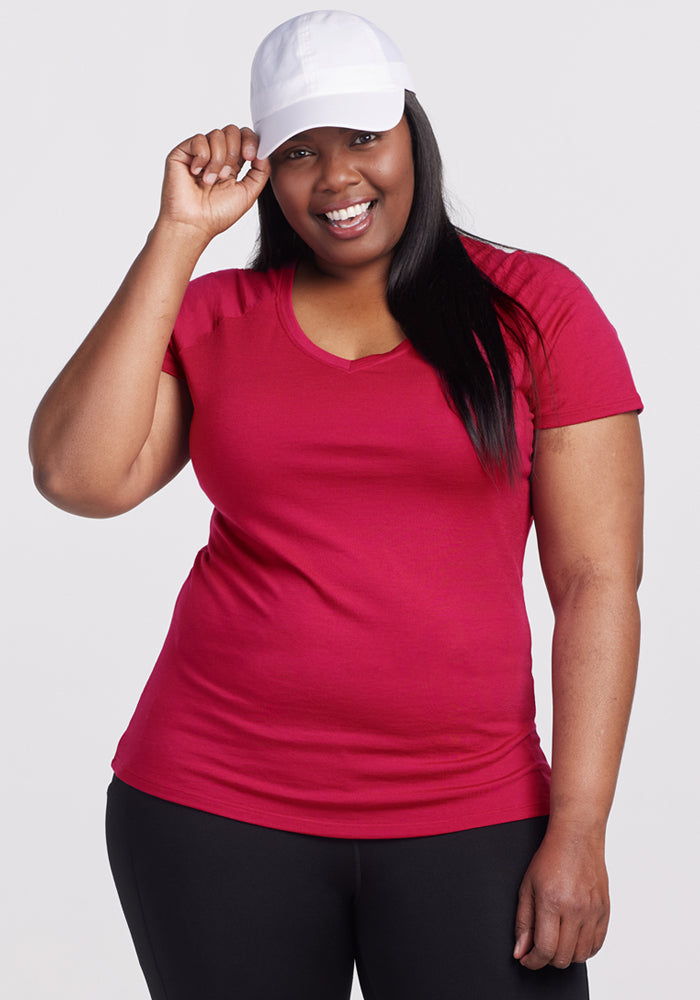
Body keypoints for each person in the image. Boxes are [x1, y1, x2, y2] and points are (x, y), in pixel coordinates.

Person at [29, 10, 644, 1000]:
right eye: (300, 151)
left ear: (412, 133)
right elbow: (76, 477)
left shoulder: (535, 309)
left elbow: (595, 581)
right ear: (267, 170)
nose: (338, 176)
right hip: (211, 804)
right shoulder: (214, 317)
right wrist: (178, 237)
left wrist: (577, 830)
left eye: (363, 137)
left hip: (475, 812)